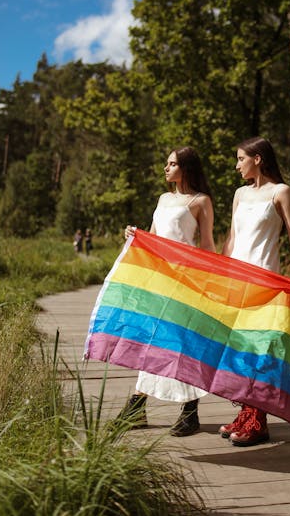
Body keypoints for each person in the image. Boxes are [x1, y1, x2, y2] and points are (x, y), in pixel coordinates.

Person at [118, 145, 215, 436]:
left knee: (184, 345)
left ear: (185, 168)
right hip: (160, 280)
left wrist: (209, 284)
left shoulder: (201, 201)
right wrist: (136, 236)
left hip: (186, 281)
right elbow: (154, 237)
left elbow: (208, 246)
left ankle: (189, 412)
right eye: (167, 163)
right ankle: (138, 407)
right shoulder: (163, 198)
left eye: (172, 164)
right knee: (154, 342)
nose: (166, 168)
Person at [219, 136, 290, 447]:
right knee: (240, 350)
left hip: (265, 282)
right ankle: (246, 412)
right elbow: (231, 239)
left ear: (257, 158)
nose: (237, 164)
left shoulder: (281, 192)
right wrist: (221, 272)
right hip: (237, 280)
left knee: (260, 351)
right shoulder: (240, 194)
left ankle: (258, 420)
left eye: (241, 158)